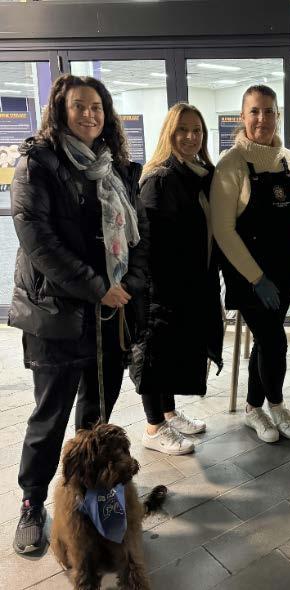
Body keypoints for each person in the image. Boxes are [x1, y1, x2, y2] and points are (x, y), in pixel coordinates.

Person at [8, 74, 149, 553]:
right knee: (50, 416)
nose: (89, 114)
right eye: (78, 106)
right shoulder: (37, 164)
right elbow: (38, 241)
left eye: (96, 107)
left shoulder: (119, 168)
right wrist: (97, 288)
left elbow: (140, 235)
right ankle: (32, 502)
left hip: (109, 314)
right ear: (60, 110)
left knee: (96, 414)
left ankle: (92, 494)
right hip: (56, 315)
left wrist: (128, 285)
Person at [211, 84, 290, 443]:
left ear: (277, 115)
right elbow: (223, 229)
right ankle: (276, 405)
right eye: (254, 111)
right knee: (275, 341)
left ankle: (253, 408)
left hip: (285, 272)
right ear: (242, 116)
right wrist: (256, 277)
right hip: (249, 276)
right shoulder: (231, 164)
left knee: (266, 340)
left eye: (268, 111)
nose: (262, 118)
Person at [131, 103, 223, 455]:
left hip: (190, 285)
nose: (190, 136)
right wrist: (159, 290)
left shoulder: (199, 174)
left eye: (196, 130)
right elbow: (149, 244)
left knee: (171, 354)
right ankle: (154, 427)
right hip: (163, 288)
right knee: (155, 355)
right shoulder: (160, 179)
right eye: (182, 129)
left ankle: (168, 413)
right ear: (169, 133)